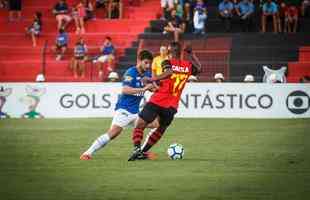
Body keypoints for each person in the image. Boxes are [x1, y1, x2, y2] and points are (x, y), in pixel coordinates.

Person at [128, 42, 201, 161]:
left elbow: (169, 73)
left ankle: (137, 149)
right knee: (160, 129)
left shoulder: (167, 62)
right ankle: (143, 151)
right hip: (172, 105)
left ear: (170, 51)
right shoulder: (188, 65)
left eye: (168, 49)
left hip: (159, 100)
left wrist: (152, 79)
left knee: (140, 123)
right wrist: (192, 54)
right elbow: (199, 69)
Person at [80, 50, 158, 160]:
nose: (148, 65)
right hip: (124, 110)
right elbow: (125, 90)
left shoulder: (147, 74)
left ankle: (140, 151)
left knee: (155, 124)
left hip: (135, 112)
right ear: (139, 61)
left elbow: (154, 88)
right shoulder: (130, 72)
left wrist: (154, 88)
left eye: (150, 63)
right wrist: (144, 88)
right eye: (146, 62)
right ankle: (87, 153)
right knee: (113, 134)